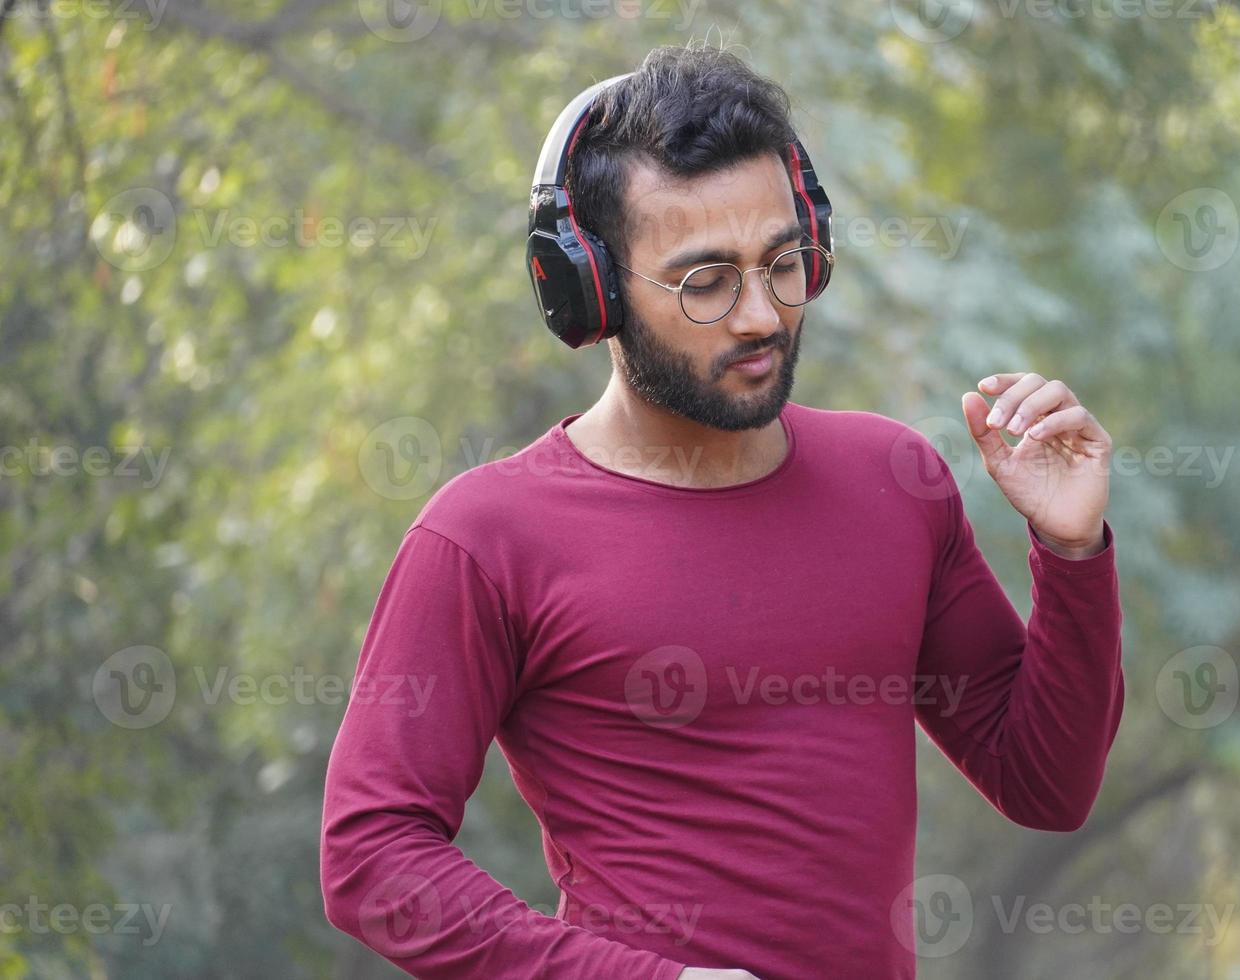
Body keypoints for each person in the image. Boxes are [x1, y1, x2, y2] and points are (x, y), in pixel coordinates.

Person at [320, 42, 1124, 980]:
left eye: (784, 262)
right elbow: (370, 859)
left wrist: (1071, 552)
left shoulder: (895, 479)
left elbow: (1045, 784)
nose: (760, 315)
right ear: (593, 288)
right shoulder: (487, 538)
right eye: (705, 282)